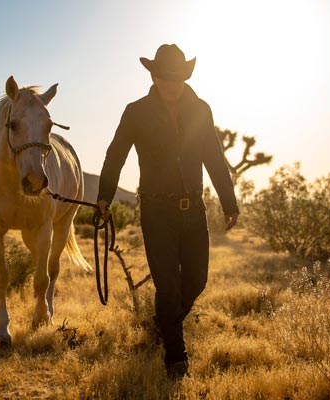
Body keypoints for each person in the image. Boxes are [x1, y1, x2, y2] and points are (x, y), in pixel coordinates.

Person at [97, 44, 239, 378]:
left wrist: (229, 202)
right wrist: (104, 197)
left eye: (178, 77)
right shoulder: (136, 112)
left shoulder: (201, 109)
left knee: (197, 280)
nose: (172, 84)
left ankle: (165, 323)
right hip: (156, 210)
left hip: (194, 209)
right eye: (166, 77)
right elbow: (115, 155)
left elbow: (215, 159)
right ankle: (176, 358)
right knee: (167, 286)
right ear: (154, 76)